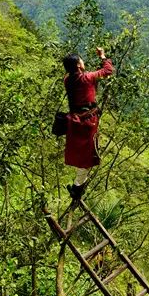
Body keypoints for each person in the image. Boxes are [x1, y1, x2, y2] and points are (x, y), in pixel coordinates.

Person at [62, 47, 114, 199]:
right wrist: (103, 56)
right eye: (81, 60)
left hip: (74, 121)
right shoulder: (87, 78)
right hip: (87, 122)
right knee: (87, 155)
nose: (83, 62)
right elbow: (108, 71)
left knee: (80, 153)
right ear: (78, 65)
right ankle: (78, 188)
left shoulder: (67, 80)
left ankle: (78, 185)